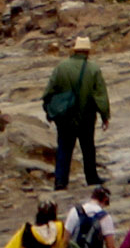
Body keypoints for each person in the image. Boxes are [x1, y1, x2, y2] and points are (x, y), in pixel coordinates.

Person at [42, 36, 109, 190]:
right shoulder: (93, 69)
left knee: (64, 148)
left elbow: (48, 92)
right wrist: (105, 116)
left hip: (65, 117)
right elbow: (100, 95)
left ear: (74, 50)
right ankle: (91, 178)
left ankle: (60, 180)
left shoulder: (61, 67)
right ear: (87, 52)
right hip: (86, 116)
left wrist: (50, 111)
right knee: (88, 148)